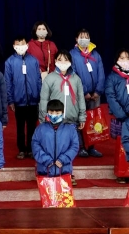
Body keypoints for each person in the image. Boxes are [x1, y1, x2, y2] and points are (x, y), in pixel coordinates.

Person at [39, 51, 85, 182]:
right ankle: (52, 172)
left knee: (69, 147)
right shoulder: (50, 78)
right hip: (54, 119)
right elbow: (44, 99)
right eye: (60, 60)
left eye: (66, 60)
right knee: (55, 147)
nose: (63, 63)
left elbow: (81, 98)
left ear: (70, 62)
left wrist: (82, 116)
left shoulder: (76, 79)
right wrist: (43, 117)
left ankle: (67, 173)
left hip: (71, 119)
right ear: (55, 62)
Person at [5, 36, 42, 159]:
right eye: (18, 44)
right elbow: (8, 82)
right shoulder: (10, 62)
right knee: (20, 127)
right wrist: (10, 100)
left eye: (22, 43)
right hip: (18, 101)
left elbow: (38, 80)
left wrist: (39, 96)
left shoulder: (34, 60)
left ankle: (30, 149)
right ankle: (21, 149)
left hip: (33, 100)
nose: (20, 46)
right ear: (13, 46)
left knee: (32, 126)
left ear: (27, 45)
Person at [69, 29, 104, 158]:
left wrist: (98, 91)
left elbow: (101, 73)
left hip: (95, 95)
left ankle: (92, 146)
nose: (84, 38)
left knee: (93, 120)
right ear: (76, 39)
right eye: (81, 36)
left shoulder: (96, 54)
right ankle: (81, 147)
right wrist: (84, 91)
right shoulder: (72, 54)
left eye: (86, 36)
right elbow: (73, 74)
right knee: (80, 120)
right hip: (81, 94)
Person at [32, 99, 79, 186]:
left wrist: (63, 159)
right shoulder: (40, 129)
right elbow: (35, 145)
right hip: (45, 172)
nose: (54, 115)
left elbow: (74, 146)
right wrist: (46, 160)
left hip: (63, 171)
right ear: (47, 112)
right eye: (51, 112)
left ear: (62, 113)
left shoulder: (70, 129)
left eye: (57, 113)